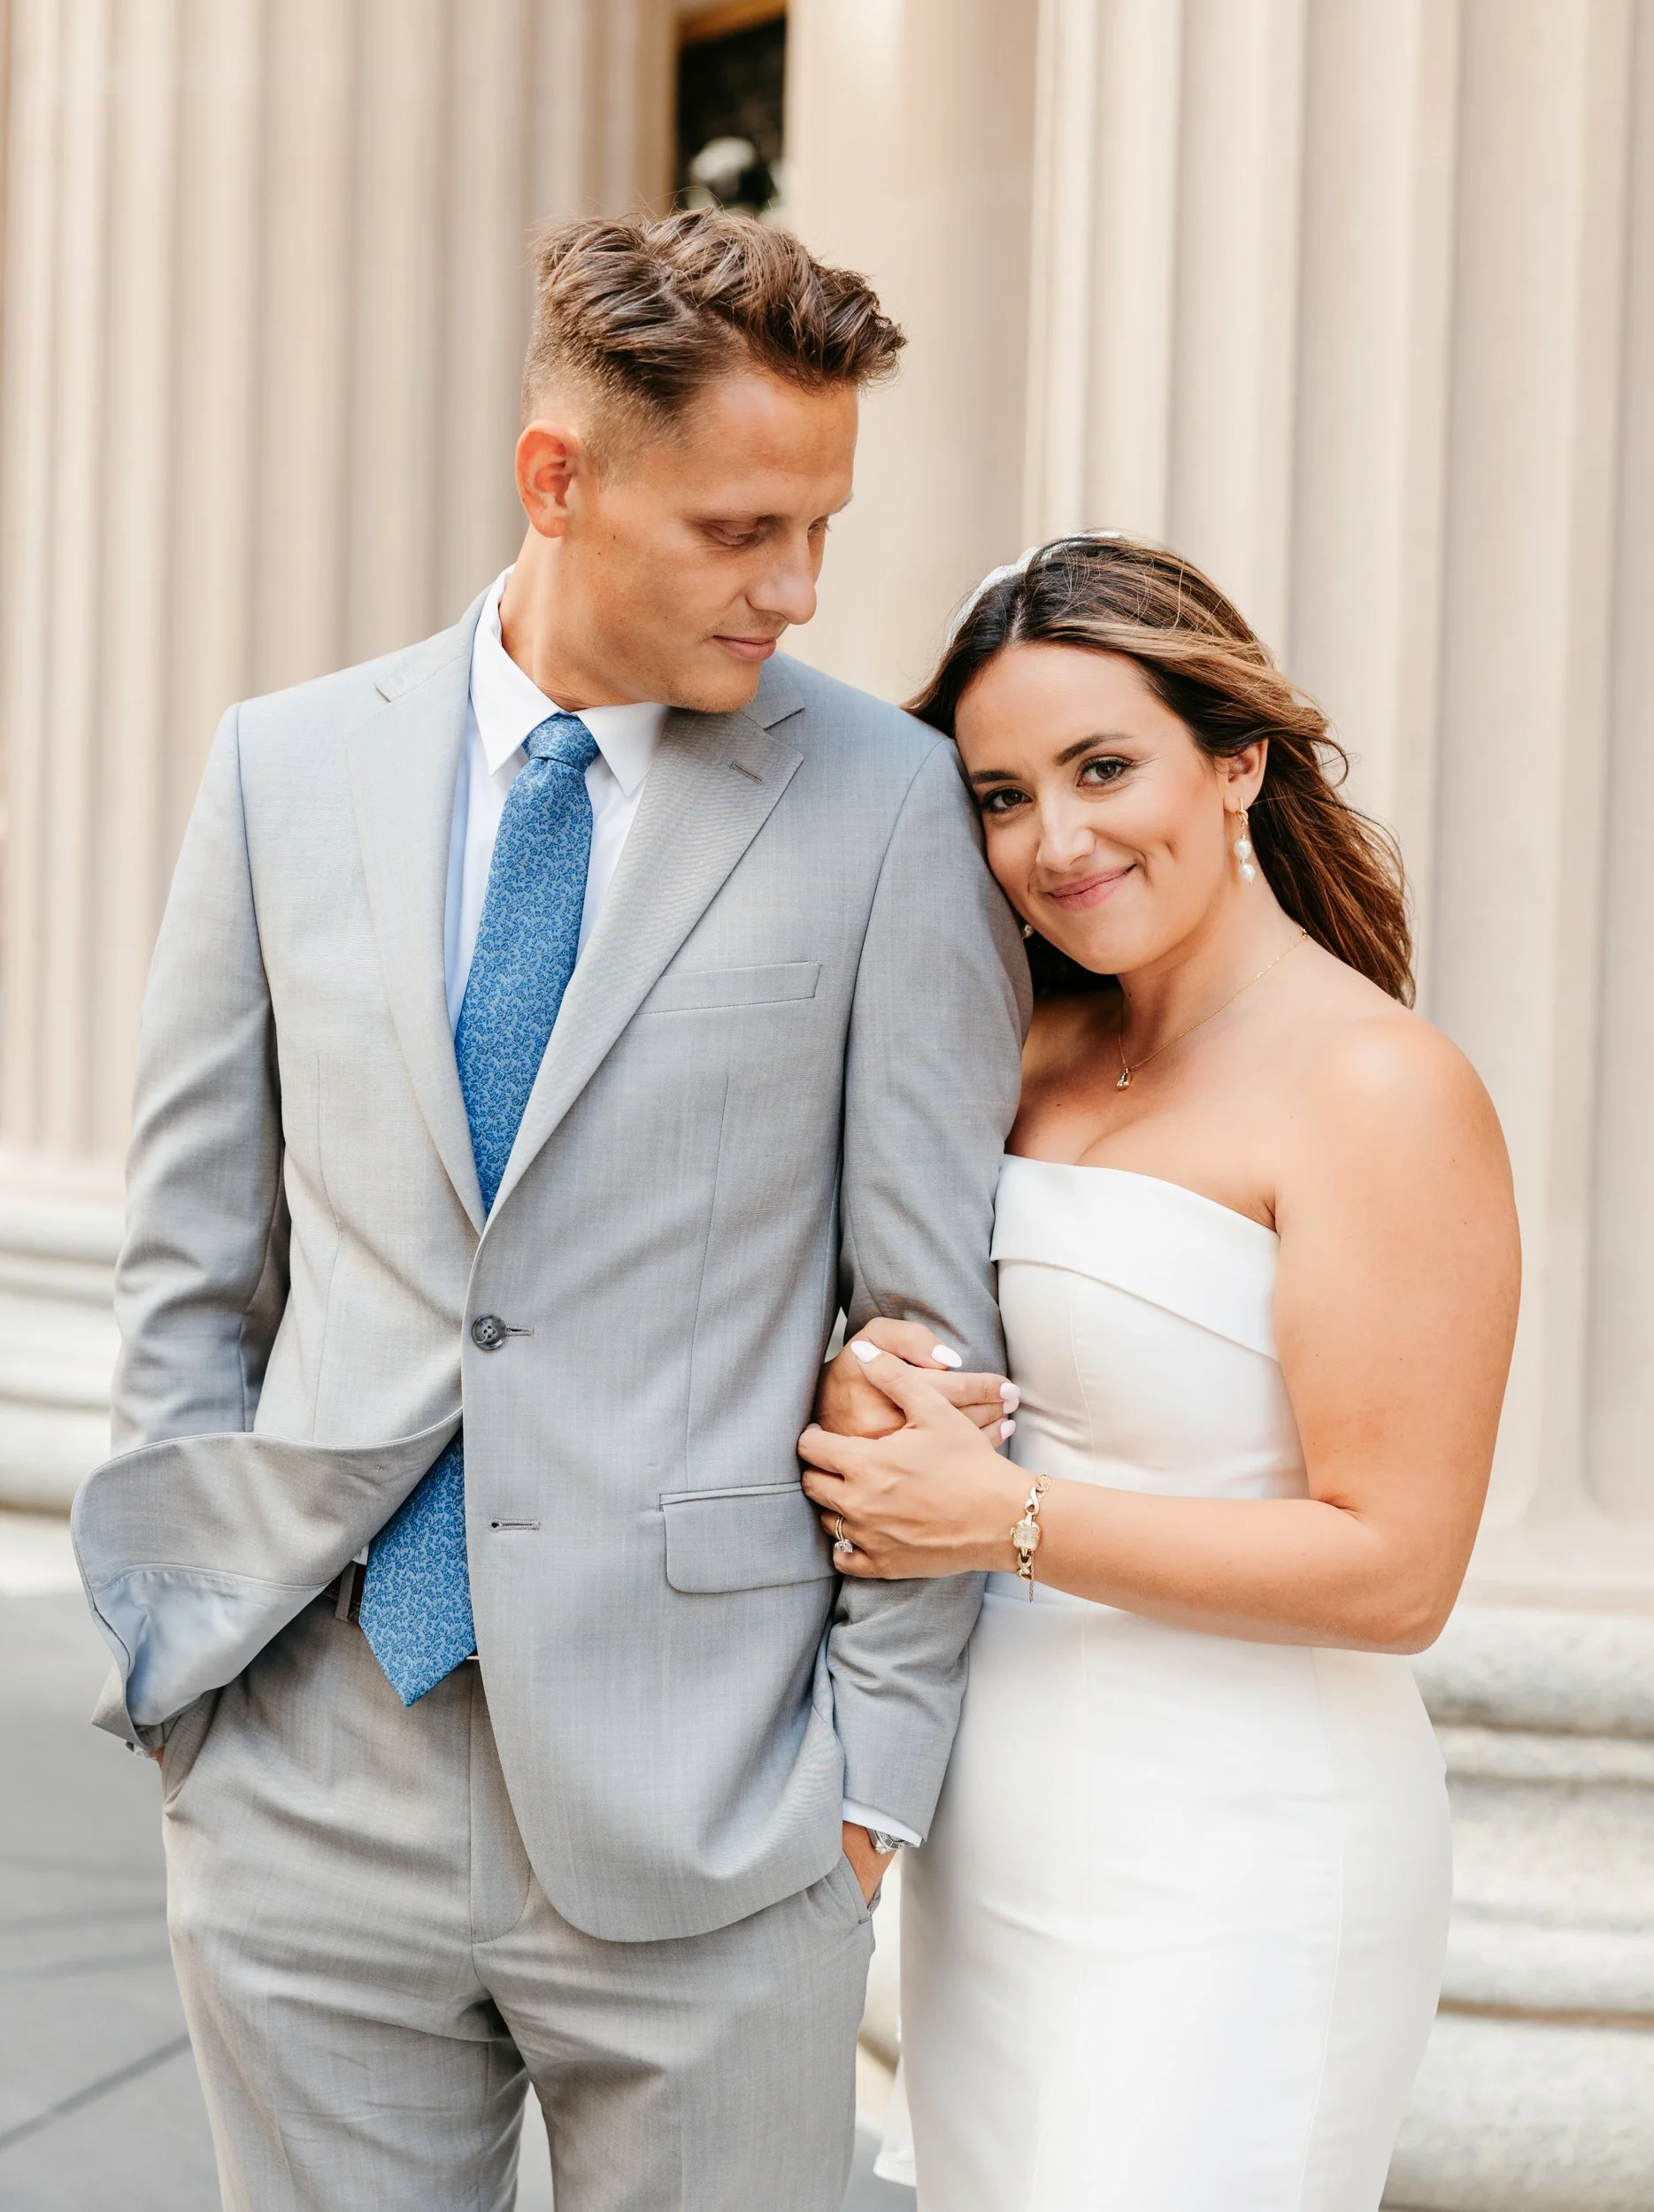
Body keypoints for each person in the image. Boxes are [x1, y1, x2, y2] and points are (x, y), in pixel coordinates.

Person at [70, 211, 1027, 2212]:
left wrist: (867, 1781)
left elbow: (929, 1324)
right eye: (741, 528)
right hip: (307, 1771)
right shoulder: (282, 768)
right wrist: (185, 1677)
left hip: (718, 1811)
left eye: (823, 527)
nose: (798, 587)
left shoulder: (885, 807)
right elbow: (193, 1264)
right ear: (560, 479)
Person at [805, 534, 1519, 2212]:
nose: (1055, 841)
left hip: (1248, 1844)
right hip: (1005, 1833)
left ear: (1240, 760)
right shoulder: (1030, 1046)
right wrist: (871, 1389)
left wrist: (1001, 1516)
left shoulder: (1375, 1086)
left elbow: (1397, 1569)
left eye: (1102, 767)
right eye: (999, 795)